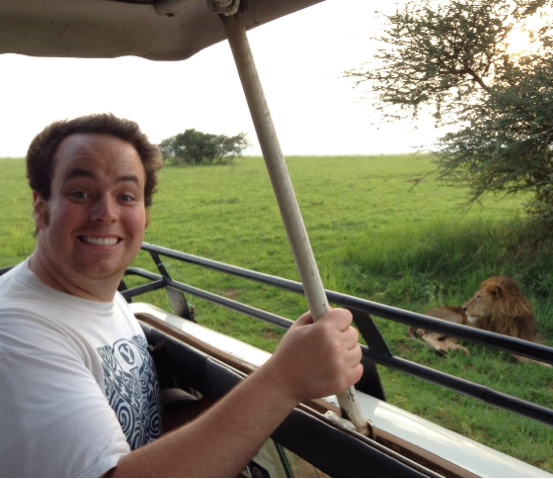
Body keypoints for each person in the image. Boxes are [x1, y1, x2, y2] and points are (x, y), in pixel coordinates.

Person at [0, 113, 363, 477]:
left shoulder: (105, 300)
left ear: (145, 216)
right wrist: (282, 381)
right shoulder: (17, 332)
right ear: (41, 207)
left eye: (126, 196)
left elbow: (131, 439)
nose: (106, 213)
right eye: (80, 193)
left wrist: (222, 408)